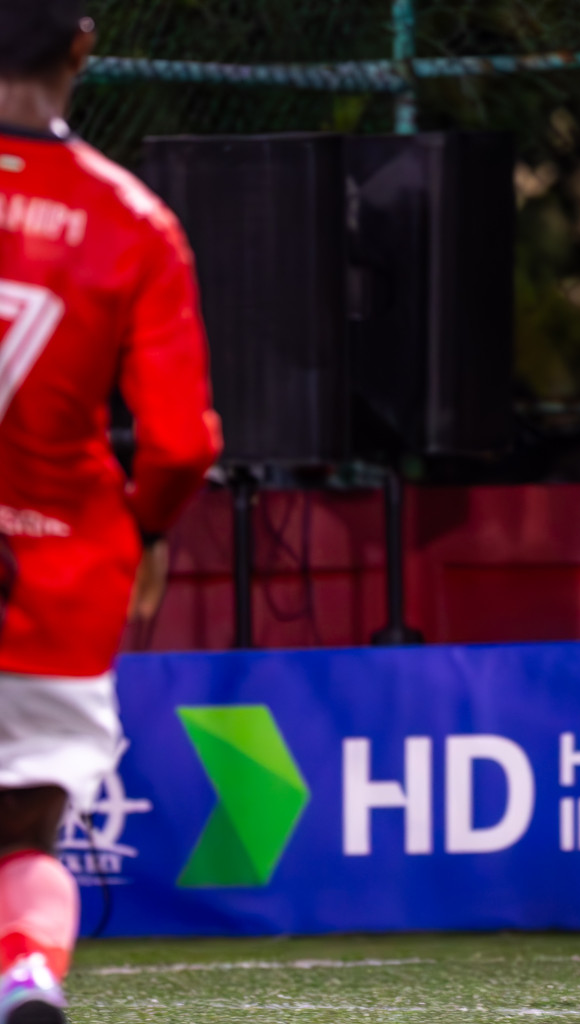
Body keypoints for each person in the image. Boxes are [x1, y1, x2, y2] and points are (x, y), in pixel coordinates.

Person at [0, 4, 222, 1021]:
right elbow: (181, 442)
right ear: (83, 45)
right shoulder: (134, 220)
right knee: (20, 842)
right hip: (53, 570)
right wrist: (145, 530)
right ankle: (28, 971)